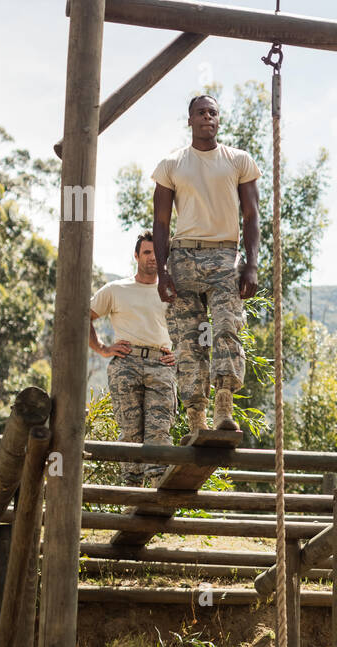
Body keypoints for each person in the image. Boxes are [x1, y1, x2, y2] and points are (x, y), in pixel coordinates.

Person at [151, 93, 260, 437]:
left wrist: (252, 264)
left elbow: (252, 215)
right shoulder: (171, 164)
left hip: (225, 256)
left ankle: (224, 405)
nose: (207, 117)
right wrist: (163, 271)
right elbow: (161, 222)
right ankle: (196, 415)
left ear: (218, 120)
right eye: (200, 112)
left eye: (212, 112)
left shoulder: (239, 160)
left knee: (228, 328)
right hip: (183, 257)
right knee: (188, 340)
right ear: (190, 120)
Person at [89, 233, 178, 487]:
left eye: (156, 253)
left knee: (159, 433)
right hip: (126, 364)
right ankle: (132, 493)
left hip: (161, 365)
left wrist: (179, 354)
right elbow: (84, 315)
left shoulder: (171, 290)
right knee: (130, 432)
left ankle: (157, 493)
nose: (152, 258)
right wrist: (103, 348)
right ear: (136, 256)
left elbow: (191, 325)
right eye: (147, 252)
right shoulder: (116, 289)